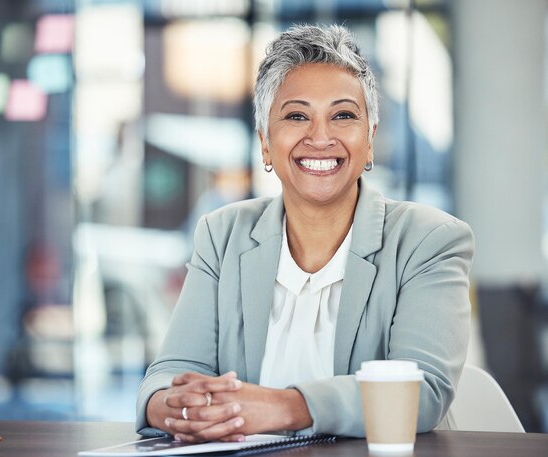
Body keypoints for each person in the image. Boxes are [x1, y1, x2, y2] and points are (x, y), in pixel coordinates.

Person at [135, 24, 474, 442]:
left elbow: (423, 390)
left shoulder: (430, 240)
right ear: (264, 142)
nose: (320, 137)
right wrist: (172, 407)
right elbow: (170, 374)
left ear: (369, 141)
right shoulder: (222, 233)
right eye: (297, 115)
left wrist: (281, 407)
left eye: (343, 115)